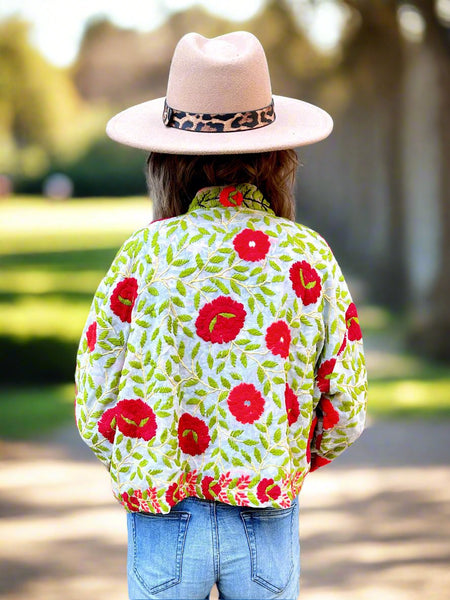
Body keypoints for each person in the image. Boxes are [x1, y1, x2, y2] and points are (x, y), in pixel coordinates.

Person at [74, 31, 368, 600]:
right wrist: (284, 456)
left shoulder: (144, 255)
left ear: (167, 160)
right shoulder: (305, 255)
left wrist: (142, 458)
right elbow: (347, 406)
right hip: (267, 509)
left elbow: (96, 394)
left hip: (164, 515)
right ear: (278, 158)